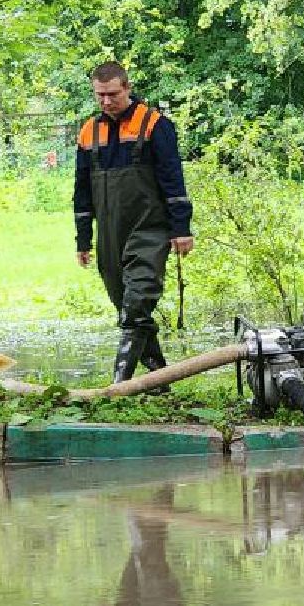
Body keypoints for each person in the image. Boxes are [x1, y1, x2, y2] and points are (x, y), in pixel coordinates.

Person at [73, 62, 193, 385]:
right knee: (128, 311)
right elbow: (81, 191)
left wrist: (181, 229)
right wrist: (83, 241)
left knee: (137, 303)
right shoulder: (88, 132)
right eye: (100, 96)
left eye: (112, 94)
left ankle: (118, 385)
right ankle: (159, 380)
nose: (106, 102)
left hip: (150, 229)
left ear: (127, 88)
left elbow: (173, 180)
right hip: (109, 235)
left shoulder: (155, 125)